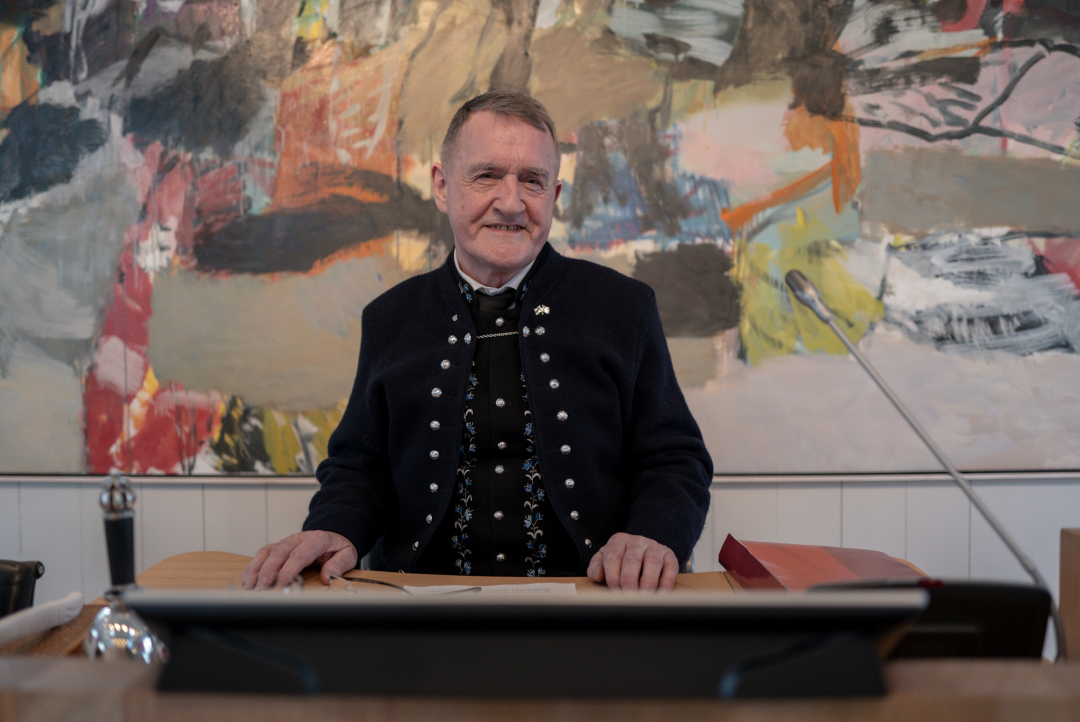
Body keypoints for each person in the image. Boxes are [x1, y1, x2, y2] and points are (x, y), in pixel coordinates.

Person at [243, 90, 712, 592]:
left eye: (532, 181)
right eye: (487, 175)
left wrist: (651, 536)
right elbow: (361, 469)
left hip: (589, 601)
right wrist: (335, 527)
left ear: (554, 196)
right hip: (419, 604)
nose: (510, 202)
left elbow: (674, 459)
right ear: (442, 186)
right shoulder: (389, 318)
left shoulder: (624, 307)